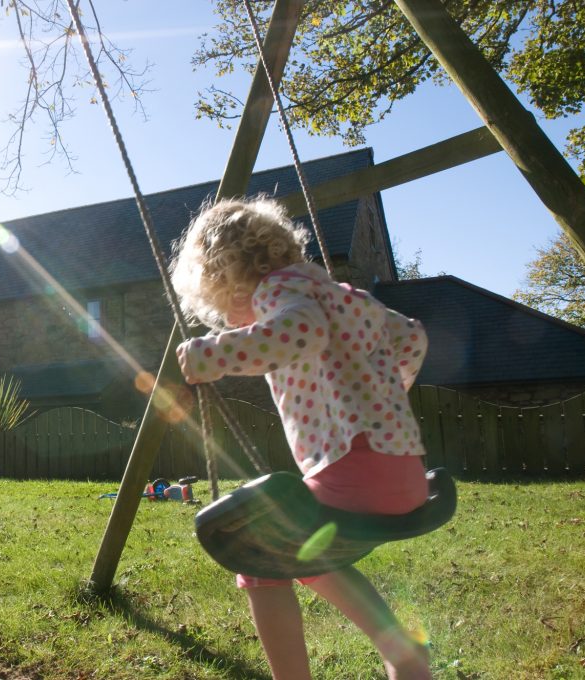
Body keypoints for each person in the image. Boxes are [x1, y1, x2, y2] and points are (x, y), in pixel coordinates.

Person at [170, 196, 433, 680]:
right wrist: (384, 393)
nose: (233, 323)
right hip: (407, 474)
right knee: (298, 544)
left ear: (226, 279)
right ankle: (401, 651)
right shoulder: (347, 295)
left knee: (258, 554)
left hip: (355, 473)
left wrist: (215, 355)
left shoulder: (276, 292)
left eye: (223, 307)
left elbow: (299, 333)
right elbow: (413, 337)